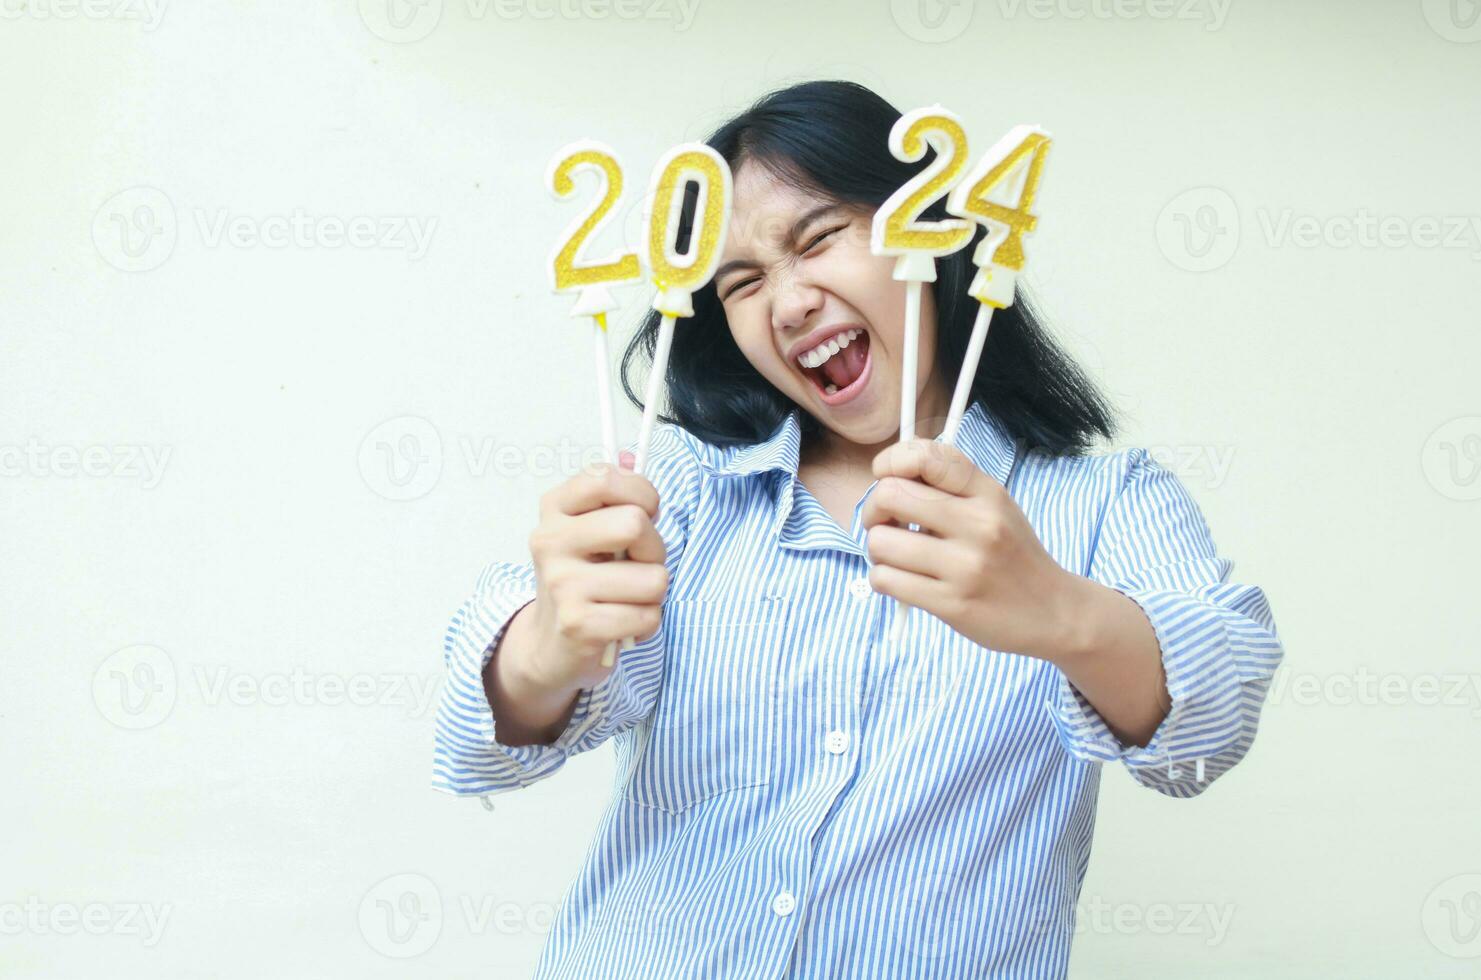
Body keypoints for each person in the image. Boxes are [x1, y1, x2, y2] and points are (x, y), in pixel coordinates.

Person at [432, 79, 1283, 978]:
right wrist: (545, 646)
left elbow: (1208, 732)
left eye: (819, 239)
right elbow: (471, 749)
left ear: (923, 232)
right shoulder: (678, 493)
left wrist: (1057, 612)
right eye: (743, 282)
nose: (789, 303)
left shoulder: (1104, 503)